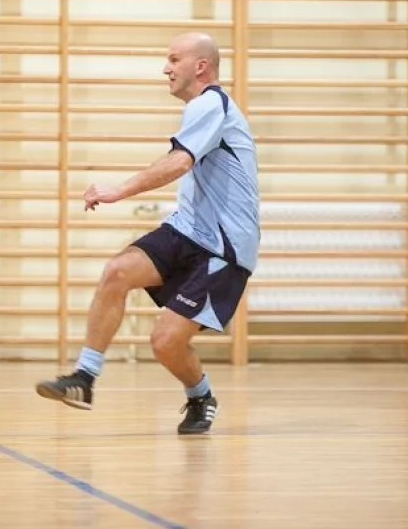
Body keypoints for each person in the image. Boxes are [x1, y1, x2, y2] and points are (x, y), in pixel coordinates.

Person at [35, 32, 259, 434]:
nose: (166, 68)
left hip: (222, 249)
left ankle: (201, 396)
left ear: (201, 66)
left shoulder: (213, 103)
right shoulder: (199, 109)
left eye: (174, 59)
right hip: (187, 230)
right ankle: (84, 379)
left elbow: (179, 163)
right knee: (118, 271)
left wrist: (118, 190)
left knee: (165, 342)